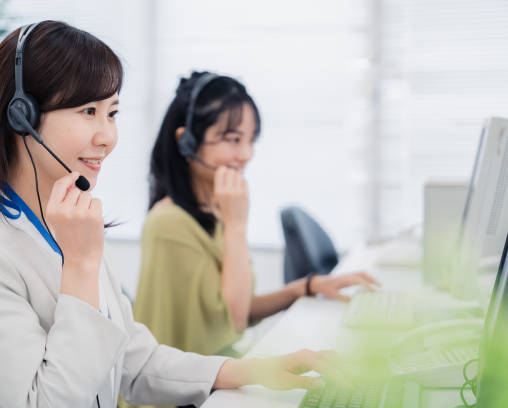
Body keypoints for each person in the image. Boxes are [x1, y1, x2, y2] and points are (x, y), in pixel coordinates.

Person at [0, 22, 345, 408]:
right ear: (22, 117)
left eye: (112, 113)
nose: (107, 137)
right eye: (88, 111)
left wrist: (251, 370)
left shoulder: (72, 226)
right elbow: (48, 401)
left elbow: (133, 358)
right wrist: (80, 265)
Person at [134, 72, 379, 357]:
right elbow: (234, 319)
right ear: (186, 141)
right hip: (179, 397)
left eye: (251, 139)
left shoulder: (214, 210)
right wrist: (236, 225)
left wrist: (308, 287)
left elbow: (239, 306)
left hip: (213, 375)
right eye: (233, 139)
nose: (246, 153)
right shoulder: (168, 224)